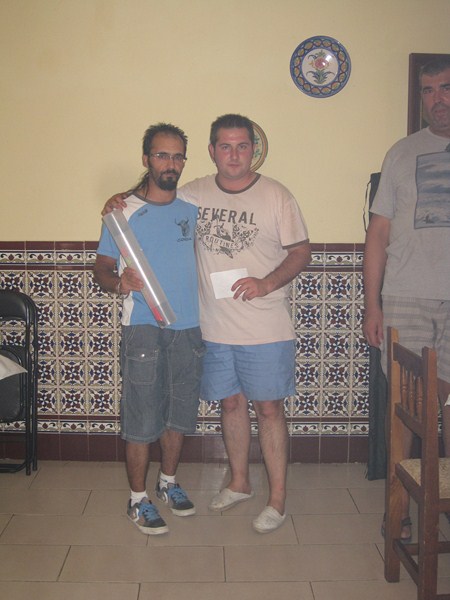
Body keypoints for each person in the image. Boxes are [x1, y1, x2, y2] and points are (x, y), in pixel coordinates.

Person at [104, 114, 311, 533]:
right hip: (211, 328)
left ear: (253, 149)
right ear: (213, 151)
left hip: (265, 328)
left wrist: (266, 283)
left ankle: (277, 500)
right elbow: (152, 195)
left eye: (242, 146)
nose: (234, 155)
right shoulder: (193, 193)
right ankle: (239, 483)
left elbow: (301, 252)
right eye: (225, 146)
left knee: (269, 409)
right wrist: (117, 199)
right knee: (230, 405)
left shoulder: (277, 195)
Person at [94, 123, 204, 535]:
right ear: (146, 159)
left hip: (188, 327)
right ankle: (138, 500)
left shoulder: (193, 207)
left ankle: (168, 483)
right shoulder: (121, 213)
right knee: (142, 416)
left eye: (177, 156)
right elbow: (102, 268)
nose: (170, 164)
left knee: (179, 412)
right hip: (143, 327)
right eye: (161, 155)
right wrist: (118, 283)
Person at [362, 56, 450, 541]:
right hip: (406, 297)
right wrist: (372, 305)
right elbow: (378, 233)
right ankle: (400, 510)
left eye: (445, 87)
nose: (437, 99)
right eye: (428, 90)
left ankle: (444, 502)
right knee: (409, 410)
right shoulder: (401, 153)